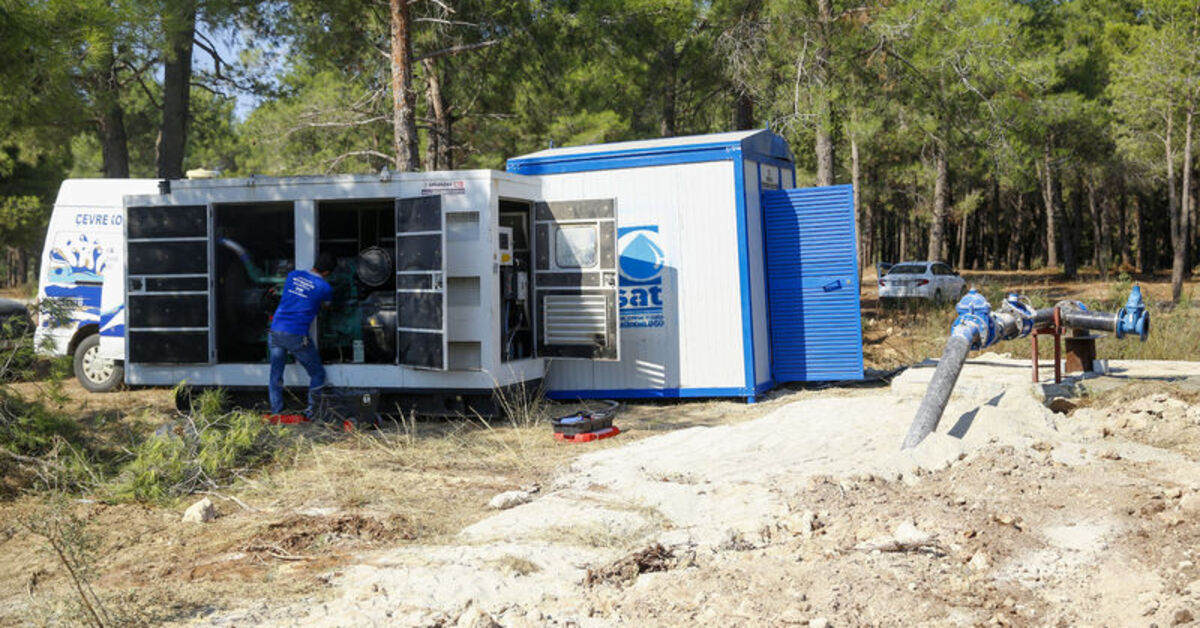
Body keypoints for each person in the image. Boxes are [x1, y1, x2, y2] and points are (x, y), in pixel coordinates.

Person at [268, 252, 336, 417]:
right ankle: (311, 412)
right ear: (327, 273)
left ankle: (276, 411)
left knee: (276, 374)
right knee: (317, 374)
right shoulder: (324, 287)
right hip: (296, 334)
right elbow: (328, 307)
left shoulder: (293, 275)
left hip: (275, 330)